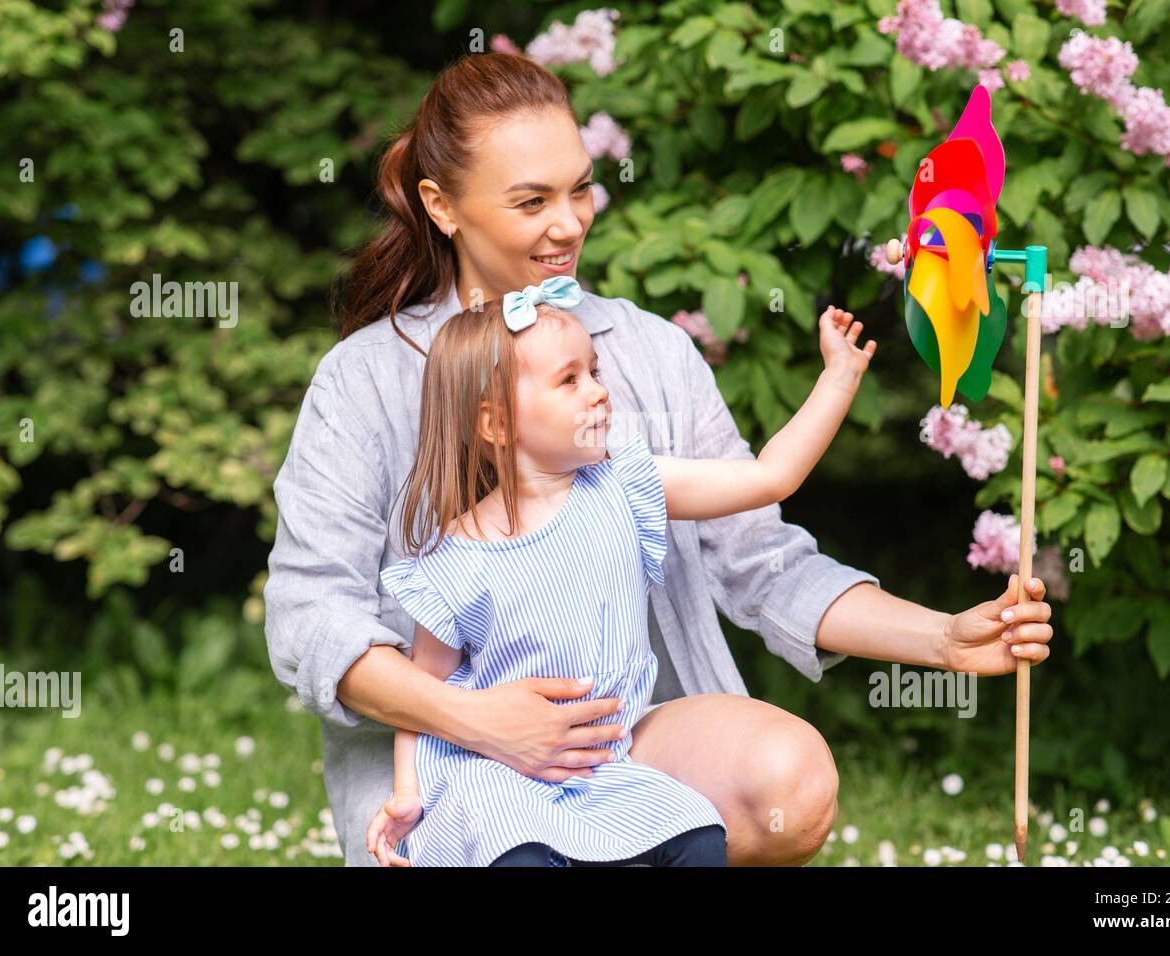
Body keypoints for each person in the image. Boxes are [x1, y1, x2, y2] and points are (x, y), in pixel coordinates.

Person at [263, 51, 1053, 868]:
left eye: (579, 188)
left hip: (618, 746)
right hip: (448, 764)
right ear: (442, 206)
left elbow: (763, 560)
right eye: (531, 200)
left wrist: (947, 641)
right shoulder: (366, 379)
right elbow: (310, 616)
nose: (568, 222)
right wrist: (479, 719)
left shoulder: (648, 352)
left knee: (789, 780)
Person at [363, 277, 874, 866]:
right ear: (497, 424)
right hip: (495, 773)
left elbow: (769, 478)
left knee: (699, 839)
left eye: (596, 372)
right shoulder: (454, 561)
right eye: (570, 380)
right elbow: (421, 695)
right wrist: (407, 794)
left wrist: (838, 378)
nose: (599, 393)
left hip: (607, 762)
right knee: (519, 855)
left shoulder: (624, 485)